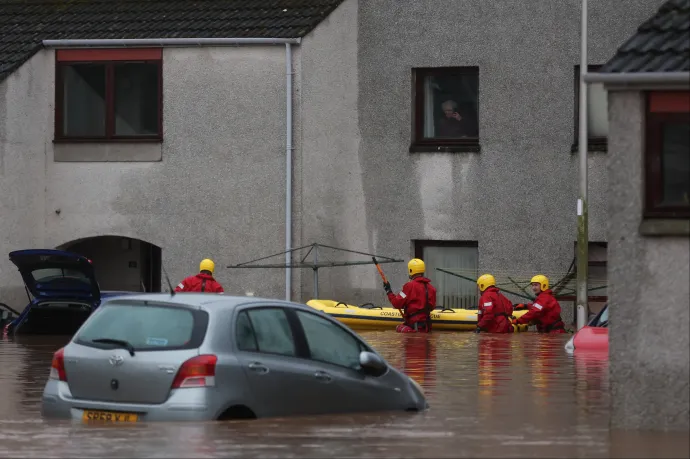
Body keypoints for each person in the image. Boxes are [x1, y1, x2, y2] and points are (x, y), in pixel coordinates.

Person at [384, 258, 437, 333]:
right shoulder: (432, 288)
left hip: (414, 327)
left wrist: (388, 291)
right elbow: (432, 307)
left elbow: (396, 303)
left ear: (411, 270)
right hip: (427, 327)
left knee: (399, 328)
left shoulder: (409, 286)